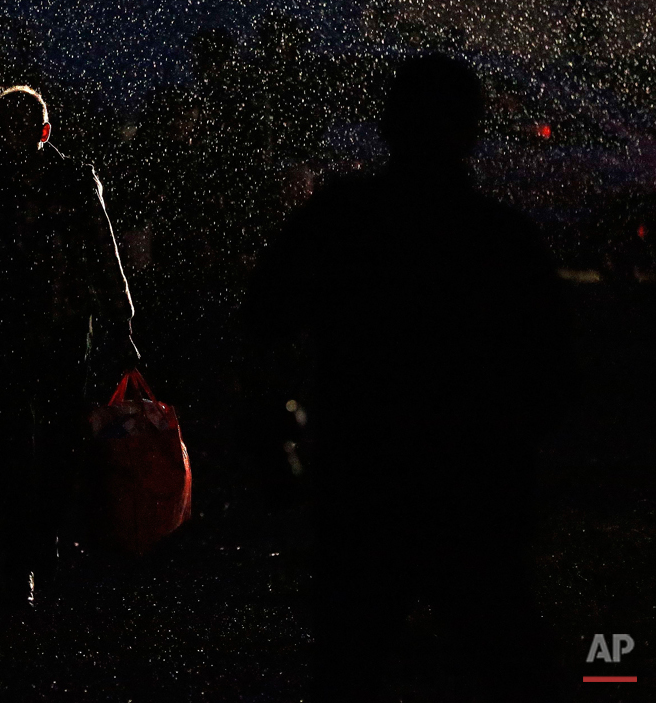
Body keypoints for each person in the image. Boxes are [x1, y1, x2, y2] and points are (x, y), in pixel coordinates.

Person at [245, 54, 572, 700]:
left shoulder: (344, 218)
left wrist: (278, 423)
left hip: (363, 474)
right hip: (474, 480)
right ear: (472, 130)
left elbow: (263, 319)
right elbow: (552, 373)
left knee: (351, 660)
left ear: (389, 123)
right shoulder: (502, 239)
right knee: (506, 657)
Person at [0, 85, 137, 607]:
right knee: (44, 444)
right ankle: (38, 552)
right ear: (46, 131)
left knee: (26, 444)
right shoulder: (70, 182)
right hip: (46, 331)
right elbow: (105, 262)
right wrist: (121, 328)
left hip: (12, 330)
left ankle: (28, 558)